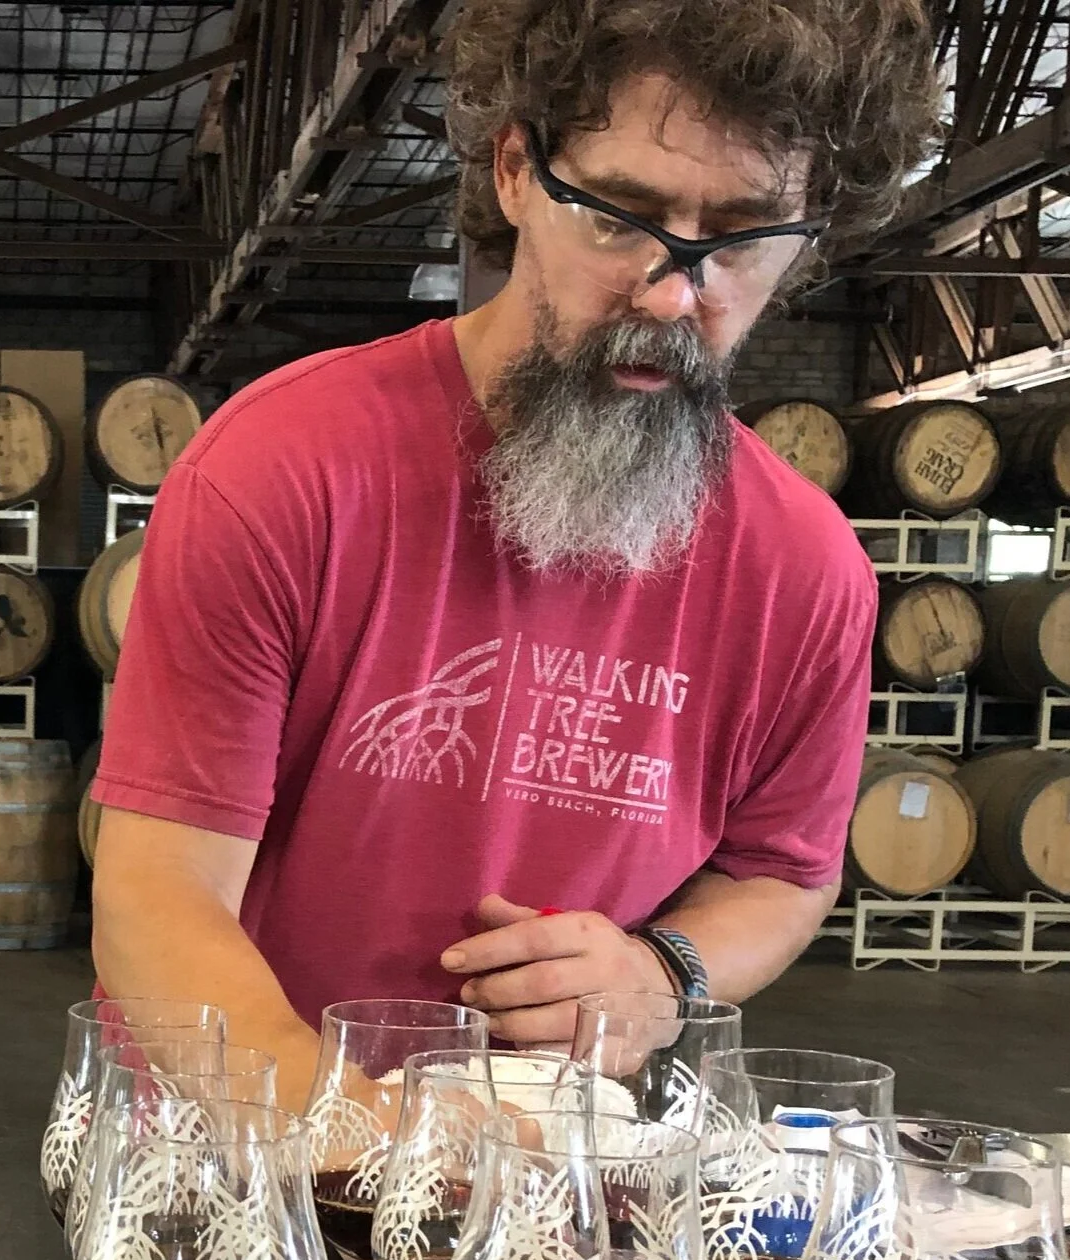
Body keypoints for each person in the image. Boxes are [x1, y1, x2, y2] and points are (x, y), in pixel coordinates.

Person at [90, 0, 941, 1110]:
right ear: (513, 173)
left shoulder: (805, 568)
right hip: (228, 1142)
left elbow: (782, 874)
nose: (672, 293)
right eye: (621, 217)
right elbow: (159, 893)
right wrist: (368, 1141)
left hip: (550, 1158)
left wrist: (662, 972)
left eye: (739, 239)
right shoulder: (285, 466)